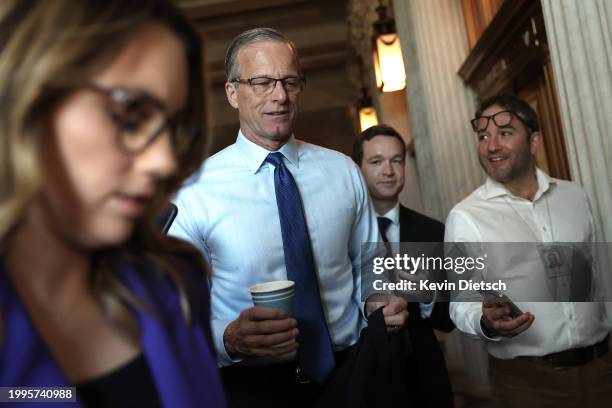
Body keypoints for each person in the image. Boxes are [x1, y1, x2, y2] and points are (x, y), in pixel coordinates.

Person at [0, 1, 226, 407]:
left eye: (173, 128)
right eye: (130, 113)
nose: (165, 162)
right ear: (30, 97)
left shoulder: (175, 287)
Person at [170, 28, 407, 407]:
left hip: (352, 376)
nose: (279, 96)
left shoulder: (343, 172)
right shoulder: (194, 193)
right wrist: (227, 338)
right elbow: (176, 310)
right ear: (233, 93)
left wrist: (378, 300)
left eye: (289, 81)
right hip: (249, 387)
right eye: (262, 82)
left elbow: (371, 263)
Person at [446, 94, 612, 407]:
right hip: (527, 385)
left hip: (601, 371)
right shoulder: (466, 216)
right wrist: (486, 322)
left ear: (534, 141)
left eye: (505, 133)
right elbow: (462, 303)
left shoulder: (574, 196)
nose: (492, 145)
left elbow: (603, 276)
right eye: (483, 136)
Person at [352, 124, 455, 408]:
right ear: (357, 169)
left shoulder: (432, 231)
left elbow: (448, 320)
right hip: (361, 378)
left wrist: (427, 294)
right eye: (376, 161)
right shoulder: (340, 234)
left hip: (424, 378)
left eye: (396, 160)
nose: (388, 170)